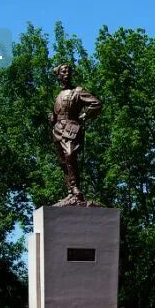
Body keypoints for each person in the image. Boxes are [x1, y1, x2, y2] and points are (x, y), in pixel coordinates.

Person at [50, 62, 102, 206]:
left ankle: (76, 189)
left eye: (68, 71)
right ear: (58, 76)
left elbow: (96, 103)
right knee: (64, 162)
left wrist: (84, 116)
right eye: (63, 72)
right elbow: (56, 115)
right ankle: (70, 192)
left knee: (70, 155)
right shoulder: (59, 95)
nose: (67, 74)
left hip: (70, 128)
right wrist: (52, 120)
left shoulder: (78, 91)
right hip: (57, 130)